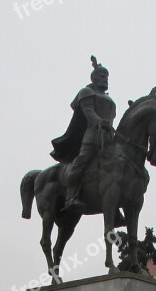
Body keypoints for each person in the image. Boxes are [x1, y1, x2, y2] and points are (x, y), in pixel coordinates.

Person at [51, 55, 117, 213]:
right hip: (91, 136)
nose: (105, 80)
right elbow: (89, 113)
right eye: (102, 76)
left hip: (108, 139)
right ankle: (71, 196)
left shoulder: (108, 98)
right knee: (82, 162)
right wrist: (100, 122)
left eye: (106, 77)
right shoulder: (86, 92)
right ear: (94, 78)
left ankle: (116, 204)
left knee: (118, 169)